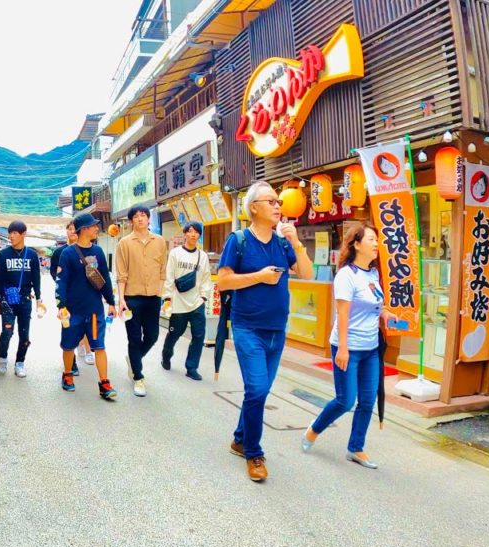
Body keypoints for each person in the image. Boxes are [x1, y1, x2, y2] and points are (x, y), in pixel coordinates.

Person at [217, 181, 314, 482]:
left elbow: (307, 273)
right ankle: (253, 452)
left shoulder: (283, 243)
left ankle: (239, 438)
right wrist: (259, 276)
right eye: (271, 201)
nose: (277, 206)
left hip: (277, 330)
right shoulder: (238, 240)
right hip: (248, 328)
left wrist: (296, 241)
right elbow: (223, 281)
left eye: (278, 202)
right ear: (253, 207)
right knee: (257, 390)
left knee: (258, 392)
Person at [303, 223, 396, 469]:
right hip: (348, 347)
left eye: (377, 239)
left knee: (367, 401)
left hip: (371, 348)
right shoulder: (346, 275)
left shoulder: (373, 273)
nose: (376, 244)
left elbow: (374, 304)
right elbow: (342, 314)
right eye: (371, 239)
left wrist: (384, 313)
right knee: (345, 401)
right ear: (356, 244)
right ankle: (314, 429)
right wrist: (343, 348)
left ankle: (356, 448)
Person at [56, 214, 118, 400]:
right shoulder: (67, 254)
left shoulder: (98, 251)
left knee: (99, 346)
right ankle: (67, 374)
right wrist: (61, 305)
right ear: (83, 229)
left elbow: (104, 279)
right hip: (73, 311)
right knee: (68, 346)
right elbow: (61, 281)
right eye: (93, 226)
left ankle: (104, 383)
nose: (97, 228)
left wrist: (111, 302)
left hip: (94, 311)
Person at [114, 204, 168, 397]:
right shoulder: (124, 243)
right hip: (132, 298)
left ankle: (133, 359)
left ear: (148, 218)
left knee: (152, 336)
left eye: (143, 215)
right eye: (136, 216)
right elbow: (121, 274)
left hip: (153, 297)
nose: (140, 218)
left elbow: (163, 270)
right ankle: (138, 377)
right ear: (131, 221)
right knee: (134, 338)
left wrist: (160, 292)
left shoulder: (160, 241)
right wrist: (121, 299)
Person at [0, 220, 43, 377]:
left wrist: (39, 298)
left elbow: (36, 278)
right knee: (7, 332)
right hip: (7, 300)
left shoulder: (32, 255)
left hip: (25, 299)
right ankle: (3, 358)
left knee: (24, 335)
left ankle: (20, 363)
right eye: (10, 233)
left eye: (14, 233)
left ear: (23, 234)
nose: (11, 236)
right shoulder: (3, 254)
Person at [161, 221, 213, 381]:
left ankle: (192, 367)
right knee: (174, 334)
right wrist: (167, 298)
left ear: (199, 235)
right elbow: (169, 276)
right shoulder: (175, 253)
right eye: (190, 231)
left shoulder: (203, 256)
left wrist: (204, 297)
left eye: (196, 232)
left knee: (198, 336)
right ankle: (166, 356)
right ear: (184, 234)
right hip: (178, 302)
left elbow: (206, 278)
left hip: (197, 303)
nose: (193, 234)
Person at [49, 222, 94, 375]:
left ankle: (88, 349)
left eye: (75, 229)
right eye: (69, 229)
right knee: (68, 326)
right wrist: (64, 285)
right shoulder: (59, 252)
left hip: (85, 295)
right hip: (66, 296)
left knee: (86, 322)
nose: (72, 231)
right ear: (66, 231)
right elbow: (54, 272)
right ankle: (72, 362)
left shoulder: (88, 249)